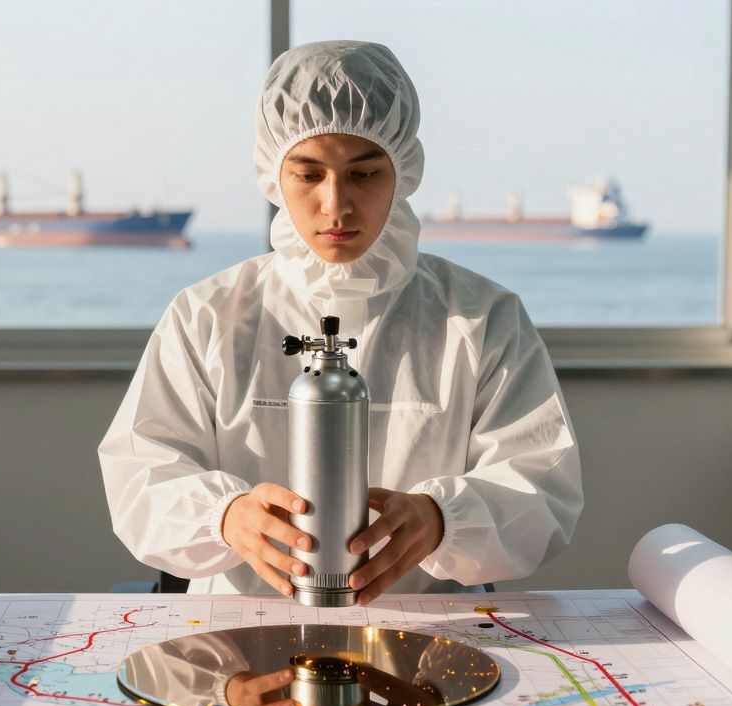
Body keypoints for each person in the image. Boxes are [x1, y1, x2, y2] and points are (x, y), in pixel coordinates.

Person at [99, 40, 582, 605]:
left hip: (427, 636)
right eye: (308, 174)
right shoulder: (207, 315)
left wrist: (441, 519)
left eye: (365, 173)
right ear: (273, 176)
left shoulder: (481, 319)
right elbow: (140, 474)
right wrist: (225, 515)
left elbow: (542, 484)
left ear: (402, 171)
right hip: (236, 637)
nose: (336, 205)